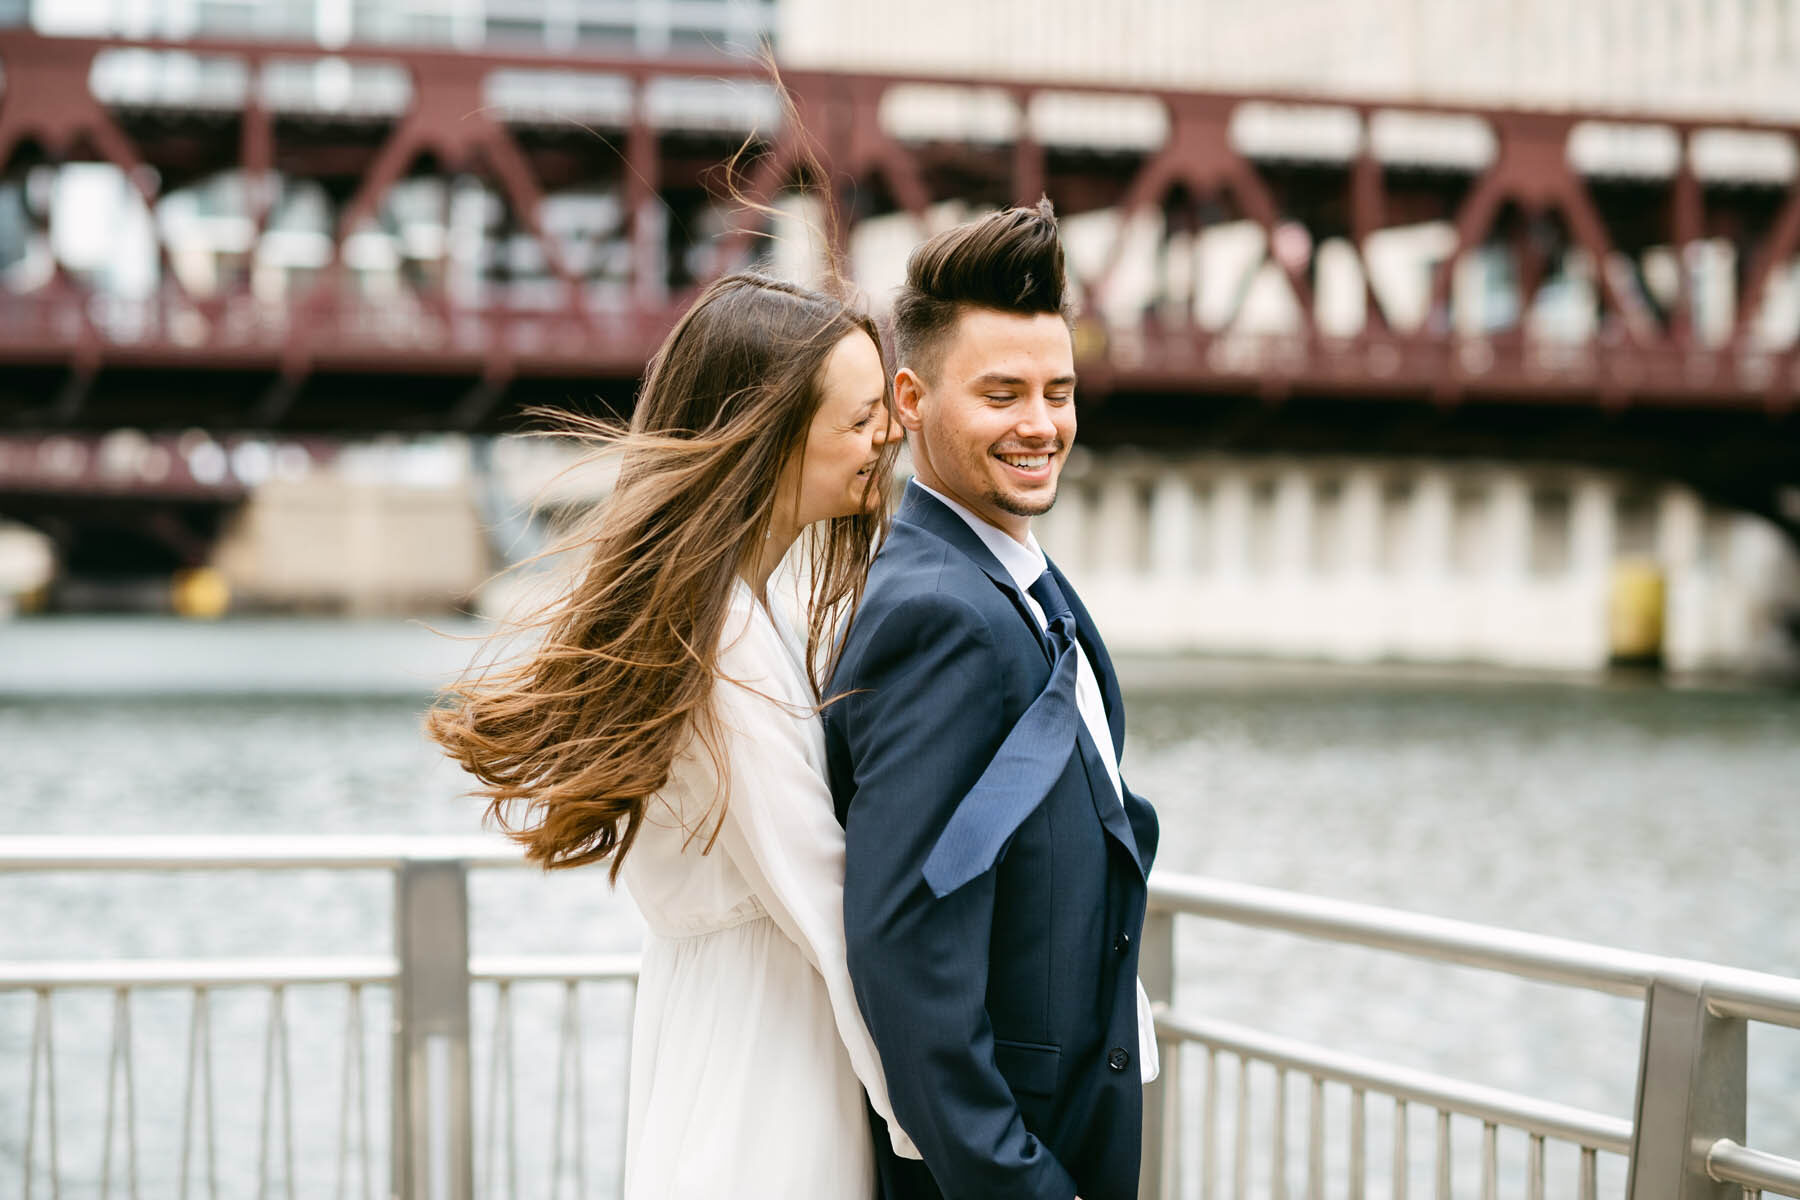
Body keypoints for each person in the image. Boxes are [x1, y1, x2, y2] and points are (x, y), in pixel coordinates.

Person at [427, 271, 920, 1198]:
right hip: (767, 1066)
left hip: (722, 1036)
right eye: (858, 421)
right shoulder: (726, 635)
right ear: (771, 439)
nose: (887, 436)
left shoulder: (729, 609)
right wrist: (933, 1126)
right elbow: (825, 898)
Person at [824, 201, 1161, 1200]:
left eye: (1058, 391)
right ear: (912, 398)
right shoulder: (940, 615)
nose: (1042, 424)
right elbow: (906, 956)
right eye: (1003, 393)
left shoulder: (1017, 582)